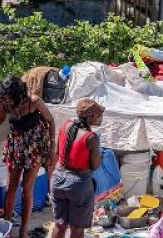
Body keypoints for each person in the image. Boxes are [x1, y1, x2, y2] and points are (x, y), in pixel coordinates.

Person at [0, 76, 55, 238]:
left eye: (9, 99)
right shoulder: (3, 100)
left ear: (18, 95)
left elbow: (50, 121)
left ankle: (23, 229)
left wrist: (51, 148)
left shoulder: (34, 101)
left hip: (35, 145)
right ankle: (7, 224)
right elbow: (0, 118)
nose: (6, 102)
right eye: (4, 99)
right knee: (10, 187)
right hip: (16, 143)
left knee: (27, 190)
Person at [51, 98, 105, 238]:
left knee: (59, 224)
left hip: (57, 179)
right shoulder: (91, 137)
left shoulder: (65, 125)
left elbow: (58, 152)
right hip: (78, 185)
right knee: (77, 229)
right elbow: (94, 165)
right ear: (90, 116)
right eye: (99, 115)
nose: (101, 118)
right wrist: (102, 157)